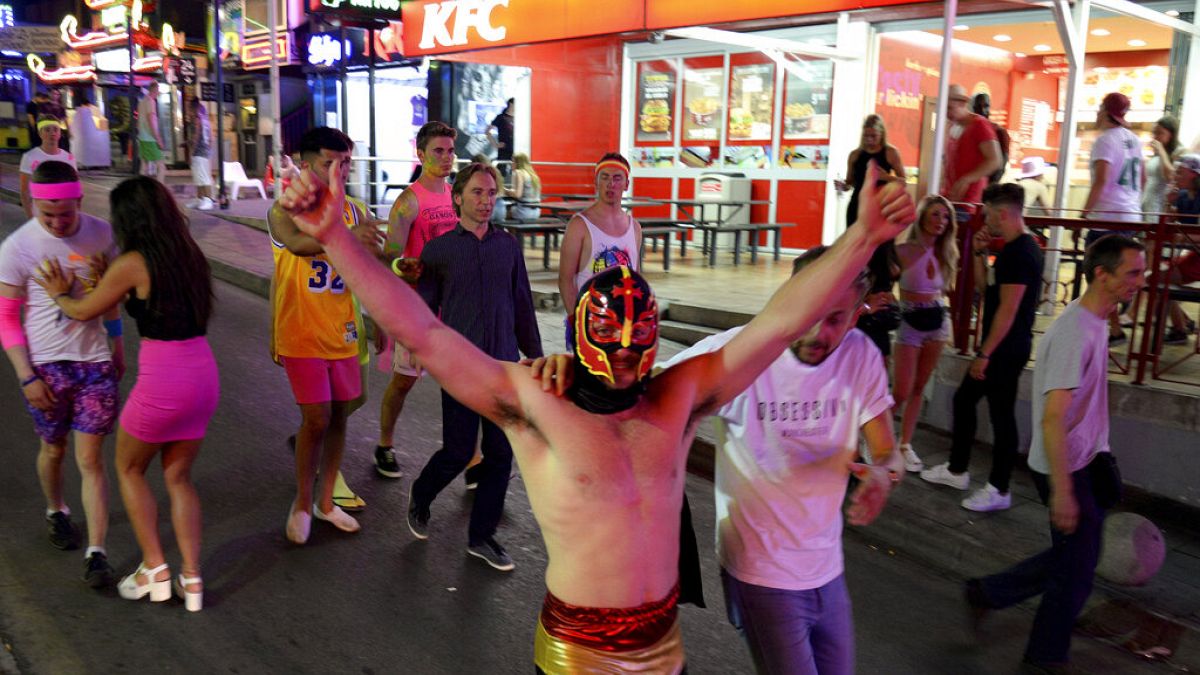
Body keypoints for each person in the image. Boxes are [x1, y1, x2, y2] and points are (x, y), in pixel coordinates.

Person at [278, 157, 915, 673]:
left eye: (640, 341)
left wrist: (862, 237)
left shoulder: (676, 397)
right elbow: (425, 332)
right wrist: (335, 237)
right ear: (583, 333)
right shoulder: (536, 405)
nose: (629, 357)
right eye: (613, 337)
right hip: (578, 657)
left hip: (666, 647)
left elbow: (779, 322)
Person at [656, 247, 902, 675]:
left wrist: (883, 472)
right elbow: (644, 394)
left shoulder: (860, 355)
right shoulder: (737, 353)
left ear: (858, 312)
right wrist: (566, 372)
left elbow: (886, 449)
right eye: (811, 312)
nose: (818, 333)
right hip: (760, 572)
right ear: (790, 297)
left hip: (827, 568)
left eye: (837, 319)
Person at [34, 176, 218, 612]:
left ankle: (154, 567)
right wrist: (110, 281)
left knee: (129, 470)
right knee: (178, 478)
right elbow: (142, 300)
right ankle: (191, 580)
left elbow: (83, 310)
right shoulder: (188, 253)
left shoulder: (135, 260)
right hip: (203, 377)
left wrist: (60, 293)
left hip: (163, 381)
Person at [967, 235, 1144, 672]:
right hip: (1065, 465)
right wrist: (1063, 491)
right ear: (1101, 274)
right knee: (1077, 574)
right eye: (1132, 273)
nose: (1140, 281)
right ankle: (1044, 659)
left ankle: (989, 593)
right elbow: (1051, 418)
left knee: (1073, 557)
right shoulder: (1074, 333)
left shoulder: (1100, 318)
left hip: (1087, 457)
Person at [406, 163, 543, 571]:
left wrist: (533, 353)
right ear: (458, 197)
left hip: (502, 366)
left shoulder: (508, 247)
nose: (486, 201)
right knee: (459, 450)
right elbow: (425, 311)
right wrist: (419, 346)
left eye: (491, 193)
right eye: (478, 193)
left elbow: (522, 303)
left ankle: (481, 537)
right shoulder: (440, 251)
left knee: (500, 455)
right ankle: (421, 493)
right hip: (460, 368)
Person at [0, 161, 121, 588]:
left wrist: (118, 342)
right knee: (53, 450)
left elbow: (112, 298)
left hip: (94, 364)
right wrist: (26, 376)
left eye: (64, 213)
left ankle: (97, 552)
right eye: (45, 213)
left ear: (79, 200)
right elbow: (7, 318)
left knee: (90, 459)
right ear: (32, 201)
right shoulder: (17, 247)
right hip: (46, 367)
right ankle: (57, 511)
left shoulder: (102, 234)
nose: (55, 222)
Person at [267, 127, 384, 544]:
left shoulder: (355, 210)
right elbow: (297, 245)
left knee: (339, 415)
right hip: (300, 331)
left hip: (344, 331)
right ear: (304, 165)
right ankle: (301, 502)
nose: (340, 171)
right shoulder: (286, 208)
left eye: (346, 162)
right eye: (328, 163)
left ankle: (326, 501)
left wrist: (382, 315)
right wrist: (345, 239)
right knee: (315, 418)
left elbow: (373, 264)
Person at [921, 183, 1042, 513]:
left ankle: (998, 487)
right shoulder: (1013, 249)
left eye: (987, 213)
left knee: (1001, 417)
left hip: (1005, 348)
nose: (985, 220)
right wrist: (977, 253)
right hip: (1003, 345)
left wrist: (985, 353)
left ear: (1003, 213)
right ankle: (958, 470)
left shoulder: (1022, 253)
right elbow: (987, 290)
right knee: (966, 400)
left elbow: (1008, 309)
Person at [375, 121, 460, 480]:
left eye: (450, 151)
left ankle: (467, 458)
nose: (446, 158)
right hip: (414, 309)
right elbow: (387, 258)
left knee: (460, 381)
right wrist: (404, 267)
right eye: (438, 151)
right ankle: (384, 443)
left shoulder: (457, 195)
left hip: (451, 306)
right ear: (421, 154)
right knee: (404, 382)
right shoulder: (408, 202)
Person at [892, 195, 958, 474]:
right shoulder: (903, 250)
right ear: (921, 217)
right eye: (935, 215)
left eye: (945, 217)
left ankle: (905, 444)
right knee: (901, 390)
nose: (941, 222)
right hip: (909, 321)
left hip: (937, 322)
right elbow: (881, 282)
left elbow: (947, 291)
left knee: (919, 388)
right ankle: (875, 438)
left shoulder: (948, 252)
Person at [836, 114, 906, 360]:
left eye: (874, 136)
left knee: (881, 251)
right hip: (857, 207)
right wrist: (843, 186)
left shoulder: (890, 153)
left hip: (880, 207)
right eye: (866, 136)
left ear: (881, 134)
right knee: (856, 251)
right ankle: (858, 289)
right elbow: (851, 181)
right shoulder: (855, 155)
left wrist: (883, 177)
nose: (869, 140)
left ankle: (881, 292)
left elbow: (903, 180)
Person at [1081, 92, 1144, 345]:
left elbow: (1102, 180)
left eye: (1099, 108)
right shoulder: (1134, 140)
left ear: (1106, 112)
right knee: (1113, 274)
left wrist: (1084, 215)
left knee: (1098, 274)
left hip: (1106, 217)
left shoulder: (1105, 140)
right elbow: (1143, 180)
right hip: (1130, 215)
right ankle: (1113, 326)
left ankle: (1104, 328)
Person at [557, 153, 643, 317]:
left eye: (617, 178)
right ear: (596, 182)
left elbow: (635, 278)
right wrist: (577, 325)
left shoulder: (635, 228)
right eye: (605, 177)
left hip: (623, 322)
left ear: (626, 184)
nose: (611, 184)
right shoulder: (579, 225)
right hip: (590, 321)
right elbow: (565, 281)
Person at [943, 85, 1003, 214]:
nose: (947, 113)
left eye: (949, 108)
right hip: (951, 200)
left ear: (962, 102)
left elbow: (995, 160)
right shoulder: (952, 126)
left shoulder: (979, 124)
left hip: (968, 204)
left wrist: (967, 179)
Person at [1162, 154, 1200, 345]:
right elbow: (1169, 223)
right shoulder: (1183, 196)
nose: (1176, 174)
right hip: (1194, 255)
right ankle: (1180, 326)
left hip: (1196, 257)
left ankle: (1180, 327)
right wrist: (1169, 202)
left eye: (1180, 171)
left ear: (1194, 175)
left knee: (1163, 278)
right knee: (1160, 277)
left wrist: (1181, 236)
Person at [20, 116, 77, 218]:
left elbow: (75, 188)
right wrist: (30, 216)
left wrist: (76, 213)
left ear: (60, 133)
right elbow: (24, 191)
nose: (52, 133)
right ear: (39, 133)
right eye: (47, 130)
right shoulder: (29, 157)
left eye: (56, 129)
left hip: (65, 214)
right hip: (40, 214)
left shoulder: (69, 158)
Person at [1142, 116, 1183, 217]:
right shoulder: (1156, 154)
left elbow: (1171, 177)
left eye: (1160, 133)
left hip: (1160, 207)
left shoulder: (1179, 152)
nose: (1155, 136)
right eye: (1154, 132)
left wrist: (1161, 151)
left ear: (1171, 135)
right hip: (1146, 203)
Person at [972, 93, 1010, 185]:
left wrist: (989, 185)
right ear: (974, 108)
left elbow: (1002, 163)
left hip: (987, 183)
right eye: (978, 106)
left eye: (986, 106)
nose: (982, 110)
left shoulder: (999, 132)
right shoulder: (968, 130)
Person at [186, 98, 215, 211]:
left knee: (202, 177)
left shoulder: (197, 120)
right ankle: (199, 199)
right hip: (204, 152)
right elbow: (211, 138)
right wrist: (208, 150)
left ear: (194, 108)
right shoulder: (206, 120)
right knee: (199, 177)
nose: (188, 111)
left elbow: (196, 137)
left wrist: (191, 153)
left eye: (189, 108)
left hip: (199, 152)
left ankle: (207, 199)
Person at [137, 82, 167, 178]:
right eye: (158, 90)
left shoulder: (142, 102)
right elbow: (151, 120)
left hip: (142, 137)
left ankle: (141, 189)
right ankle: (160, 190)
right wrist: (158, 139)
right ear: (155, 90)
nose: (159, 93)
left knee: (143, 165)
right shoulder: (151, 101)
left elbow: (138, 121)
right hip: (150, 138)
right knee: (161, 166)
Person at [507, 152, 543, 222]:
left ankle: (512, 233)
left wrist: (504, 190)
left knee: (499, 216)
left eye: (513, 161)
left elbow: (517, 194)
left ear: (518, 162)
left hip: (523, 212)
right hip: (536, 212)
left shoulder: (519, 172)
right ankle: (514, 233)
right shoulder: (533, 174)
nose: (511, 164)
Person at [488, 98, 515, 178]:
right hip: (504, 149)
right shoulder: (501, 117)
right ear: (510, 104)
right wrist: (495, 144)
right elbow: (487, 131)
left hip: (517, 149)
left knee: (516, 171)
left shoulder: (520, 118)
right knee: (501, 172)